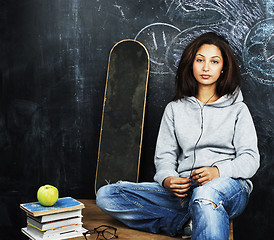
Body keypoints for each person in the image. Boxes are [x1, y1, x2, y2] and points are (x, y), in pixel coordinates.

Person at [96, 32, 260, 240]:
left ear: (223, 68)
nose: (206, 67)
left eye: (214, 61)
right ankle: (185, 224)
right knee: (108, 195)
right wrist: (167, 179)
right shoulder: (174, 109)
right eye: (200, 60)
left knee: (205, 195)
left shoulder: (238, 109)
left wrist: (217, 171)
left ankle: (195, 213)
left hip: (228, 187)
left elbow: (250, 160)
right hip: (184, 190)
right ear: (191, 64)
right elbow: (164, 157)